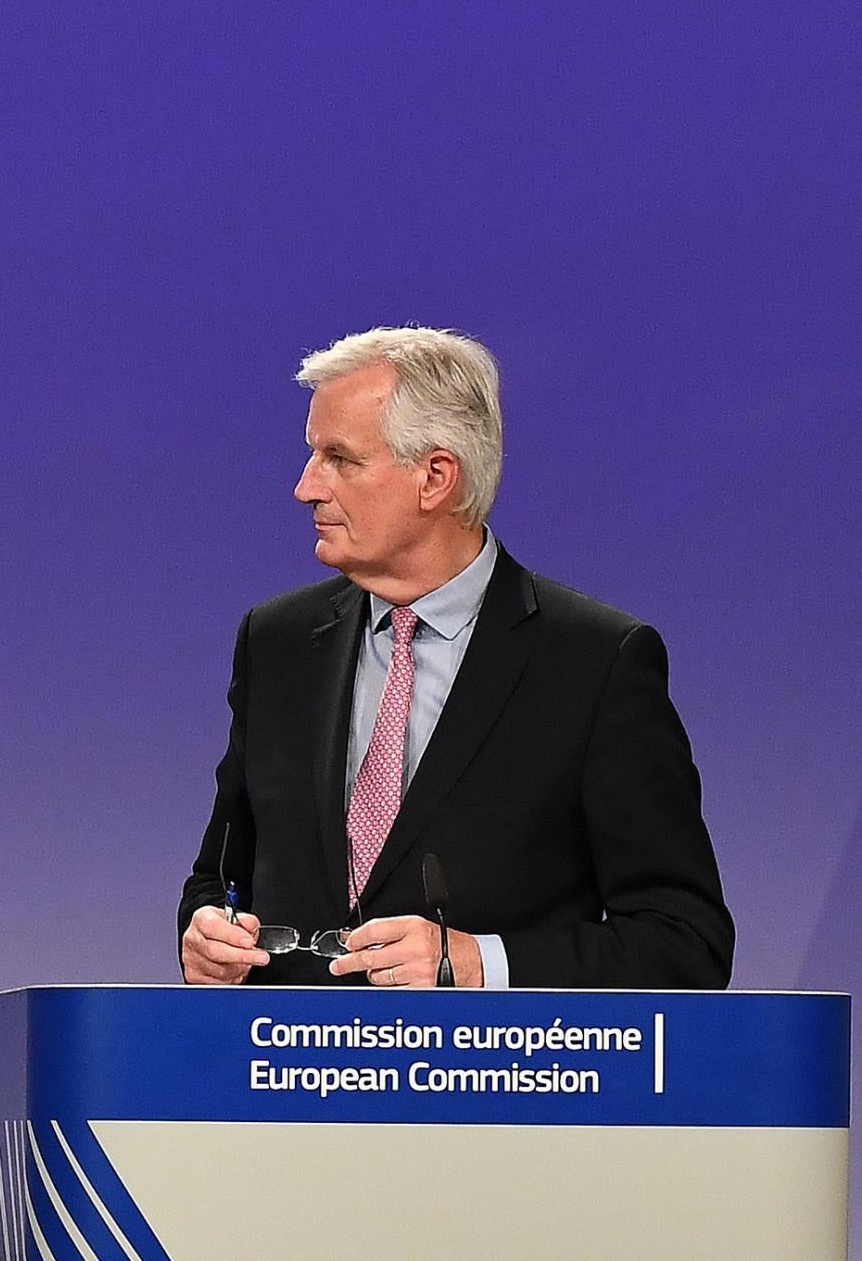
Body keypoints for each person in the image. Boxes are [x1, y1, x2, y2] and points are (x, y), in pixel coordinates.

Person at [178, 328, 731, 989]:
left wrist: (481, 962)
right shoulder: (278, 642)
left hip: (491, 1085)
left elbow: (683, 941)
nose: (305, 487)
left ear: (435, 477)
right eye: (311, 455)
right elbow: (223, 875)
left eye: (340, 459)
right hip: (292, 1082)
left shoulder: (595, 664)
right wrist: (208, 931)